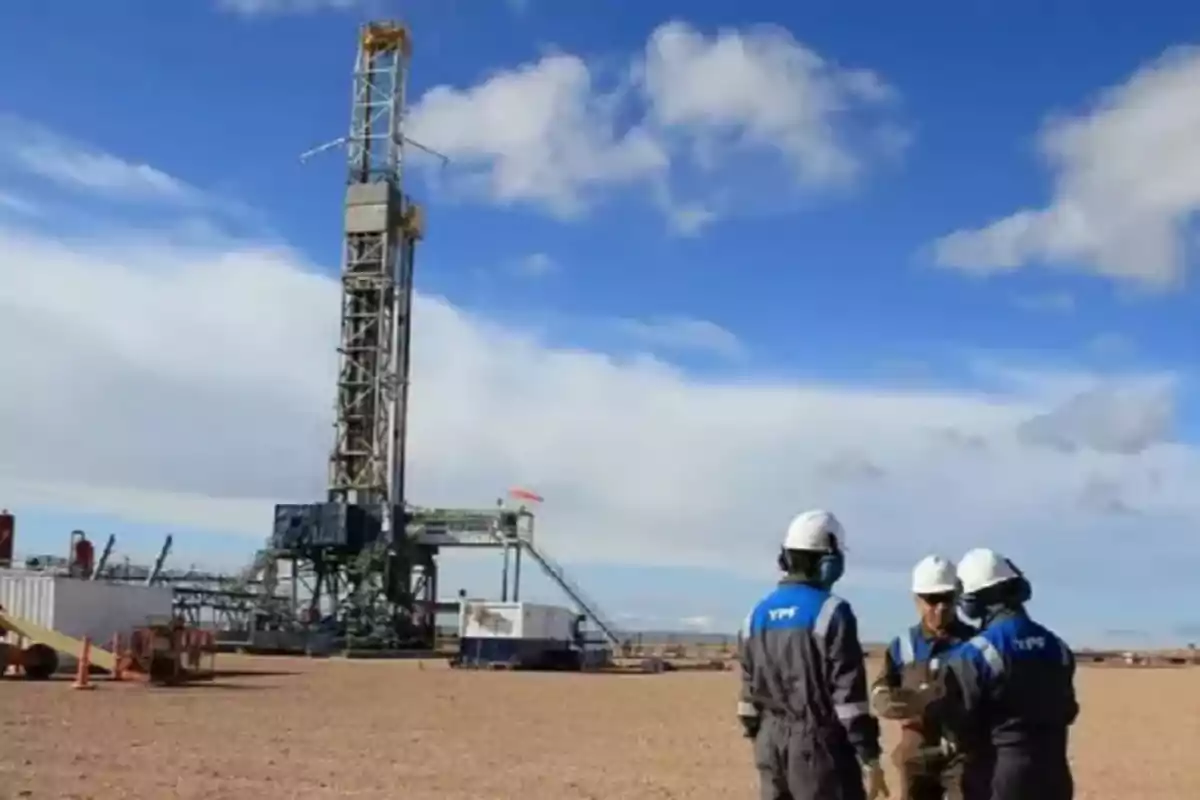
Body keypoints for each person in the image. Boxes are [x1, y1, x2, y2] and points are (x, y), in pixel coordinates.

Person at [737, 509, 889, 800]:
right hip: (819, 749)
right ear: (828, 562)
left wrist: (768, 741)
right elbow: (850, 703)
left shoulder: (755, 616)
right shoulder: (832, 612)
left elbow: (747, 705)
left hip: (770, 744)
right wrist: (869, 756)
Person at [928, 548, 1078, 800]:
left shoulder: (974, 655)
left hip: (1000, 780)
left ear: (972, 599)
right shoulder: (1057, 646)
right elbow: (1068, 709)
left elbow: (956, 723)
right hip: (1055, 778)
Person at [871, 556, 976, 800]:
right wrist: (896, 701)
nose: (940, 608)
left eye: (948, 599)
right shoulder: (902, 646)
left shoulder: (976, 643)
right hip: (916, 757)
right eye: (932, 599)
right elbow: (881, 690)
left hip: (964, 757)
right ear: (916, 599)